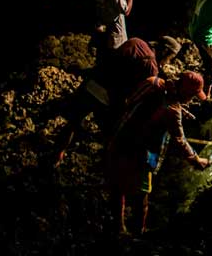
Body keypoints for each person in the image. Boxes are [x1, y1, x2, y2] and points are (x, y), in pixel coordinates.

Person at [49, 36, 182, 169]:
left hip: (92, 83)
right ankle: (105, 166)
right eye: (170, 58)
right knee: (113, 135)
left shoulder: (136, 41)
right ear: (165, 52)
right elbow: (141, 93)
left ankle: (57, 155)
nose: (167, 62)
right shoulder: (151, 67)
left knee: (72, 123)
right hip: (107, 97)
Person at [107, 71, 210, 237]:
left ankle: (117, 226)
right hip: (141, 154)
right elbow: (180, 140)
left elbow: (132, 101)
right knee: (142, 195)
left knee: (118, 186)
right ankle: (138, 233)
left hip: (120, 139)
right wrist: (196, 159)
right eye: (192, 96)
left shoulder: (153, 82)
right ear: (184, 92)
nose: (192, 100)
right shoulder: (173, 111)